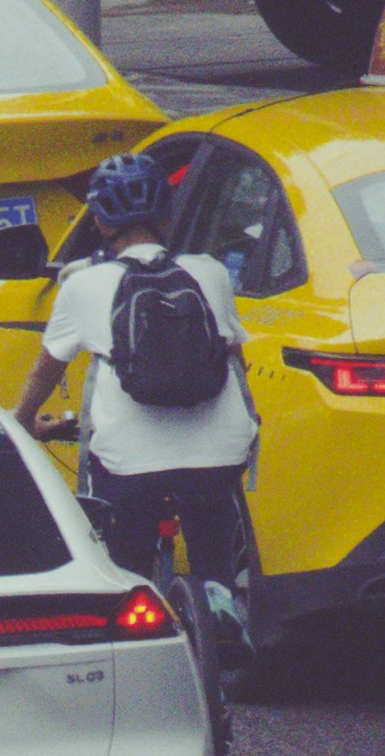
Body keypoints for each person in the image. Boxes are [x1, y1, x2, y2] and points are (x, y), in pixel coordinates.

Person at [29, 146, 260, 670]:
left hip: (129, 465)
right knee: (213, 520)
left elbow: (47, 369)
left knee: (123, 554)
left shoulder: (82, 284)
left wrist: (25, 422)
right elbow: (235, 361)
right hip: (217, 453)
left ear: (100, 220)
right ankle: (220, 603)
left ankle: (130, 633)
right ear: (166, 212)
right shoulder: (210, 273)